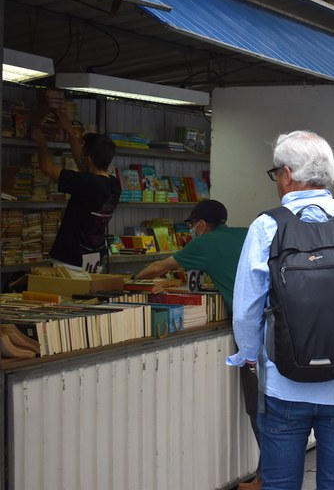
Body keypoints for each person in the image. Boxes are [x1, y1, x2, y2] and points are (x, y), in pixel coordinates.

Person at [228, 130, 334, 489]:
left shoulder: (266, 226)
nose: (277, 181)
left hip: (283, 385)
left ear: (288, 174)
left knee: (279, 484)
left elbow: (246, 308)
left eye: (276, 173)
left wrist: (248, 355)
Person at [133, 200, 261, 489]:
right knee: (271, 403)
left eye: (192, 225)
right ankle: (268, 475)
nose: (192, 230)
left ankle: (268, 479)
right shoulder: (245, 233)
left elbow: (161, 266)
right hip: (274, 323)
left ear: (202, 224)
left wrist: (130, 283)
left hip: (250, 330)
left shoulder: (205, 242)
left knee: (256, 405)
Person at [31, 109, 120, 272]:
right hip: (94, 258)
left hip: (70, 260)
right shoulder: (114, 184)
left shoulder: (86, 182)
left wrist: (41, 142)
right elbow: (83, 163)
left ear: (89, 159)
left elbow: (47, 168)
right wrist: (70, 132)